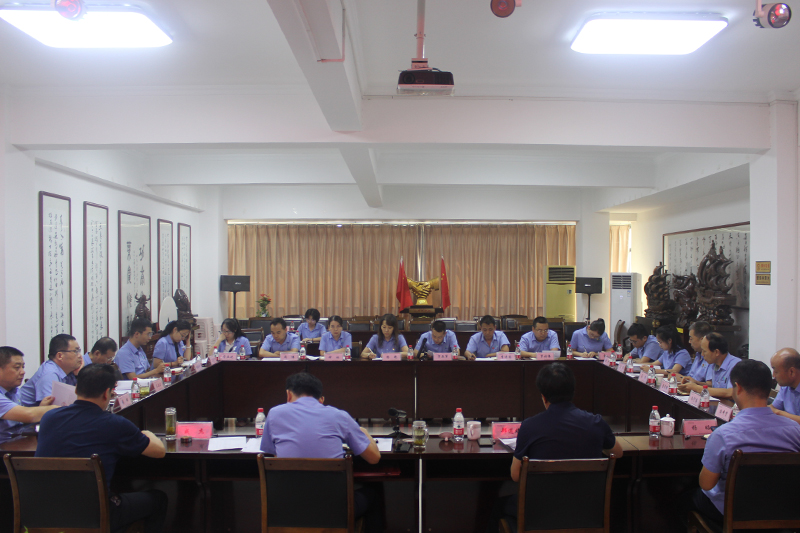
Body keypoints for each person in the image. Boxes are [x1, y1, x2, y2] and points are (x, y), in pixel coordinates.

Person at [486, 362, 623, 533]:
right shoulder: (596, 422)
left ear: (543, 396)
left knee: (498, 505)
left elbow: (515, 475)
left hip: (539, 514)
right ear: (573, 392)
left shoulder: (530, 426)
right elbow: (617, 452)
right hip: (586, 513)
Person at [36, 364, 168, 533]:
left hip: (45, 513)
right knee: (158, 499)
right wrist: (147, 433)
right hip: (93, 515)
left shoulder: (49, 418)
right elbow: (159, 451)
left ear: (76, 389)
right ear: (107, 393)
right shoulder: (114, 424)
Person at [678, 359, 800, 530]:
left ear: (738, 388)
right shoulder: (795, 431)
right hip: (783, 513)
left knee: (684, 500)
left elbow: (706, 484)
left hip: (734, 512)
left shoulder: (723, 435)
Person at [260, 372, 382, 531]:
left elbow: (275, 456)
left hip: (286, 511)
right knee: (374, 492)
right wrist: (363, 432)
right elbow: (374, 458)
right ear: (320, 398)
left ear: (288, 394)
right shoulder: (338, 416)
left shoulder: (274, 414)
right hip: (334, 513)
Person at [0, 346, 59, 442]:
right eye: (17, 367)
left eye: (23, 367)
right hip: (4, 448)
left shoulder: (15, 391)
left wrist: (41, 408)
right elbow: (28, 415)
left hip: (17, 442)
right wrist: (60, 407)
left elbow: (22, 421)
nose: (23, 372)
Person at [20, 334, 82, 406]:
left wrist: (79, 375)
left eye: (79, 351)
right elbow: (52, 407)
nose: (80, 355)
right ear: (60, 356)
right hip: (24, 412)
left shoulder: (70, 371)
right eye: (75, 351)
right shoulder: (49, 374)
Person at [678, 333, 740, 400]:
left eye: (704, 351)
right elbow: (715, 388)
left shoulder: (736, 365)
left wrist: (697, 388)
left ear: (716, 352)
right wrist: (696, 383)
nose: (702, 354)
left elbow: (731, 392)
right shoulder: (714, 363)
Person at [770, 347, 800, 424]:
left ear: (791, 372)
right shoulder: (786, 387)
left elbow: (775, 411)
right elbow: (773, 408)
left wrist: (778, 413)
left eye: (776, 371)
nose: (773, 375)